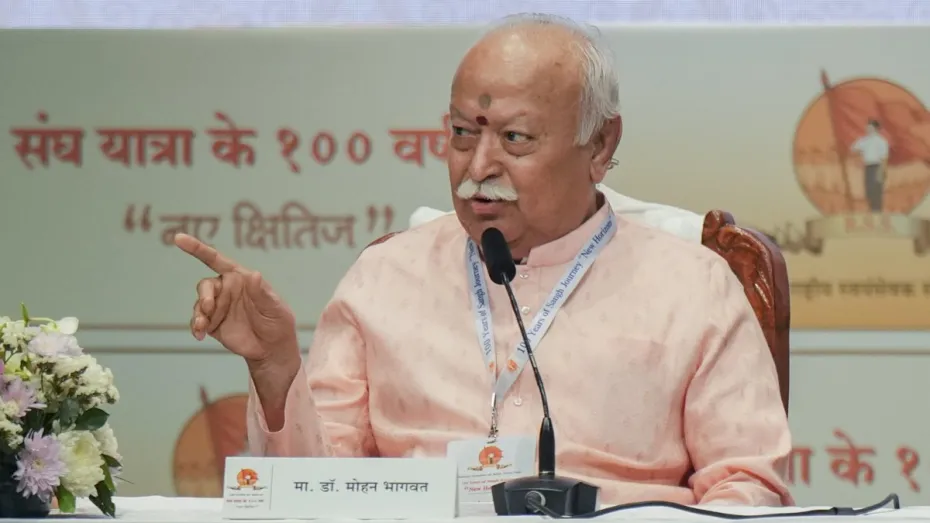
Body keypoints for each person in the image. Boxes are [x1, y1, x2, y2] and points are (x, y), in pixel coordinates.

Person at [175, 13, 793, 507]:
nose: (477, 168)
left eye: (515, 138)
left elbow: (748, 487)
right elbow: (317, 494)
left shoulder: (691, 286)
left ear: (600, 145)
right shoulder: (386, 277)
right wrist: (276, 367)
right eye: (462, 134)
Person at [850, 119, 889, 213]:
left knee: (877, 190)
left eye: (870, 127)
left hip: (877, 167)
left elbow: (884, 158)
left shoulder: (881, 141)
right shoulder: (864, 140)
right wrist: (860, 152)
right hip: (868, 167)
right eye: (867, 127)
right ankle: (871, 209)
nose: (868, 129)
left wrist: (883, 170)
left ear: (876, 129)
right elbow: (853, 148)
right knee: (869, 190)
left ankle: (877, 211)